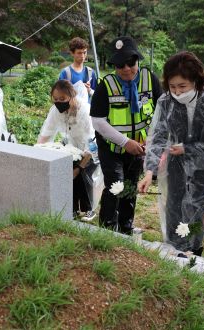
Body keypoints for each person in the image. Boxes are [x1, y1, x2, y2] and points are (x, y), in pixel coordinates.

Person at [137, 51, 204, 256]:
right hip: (176, 167)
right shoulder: (166, 102)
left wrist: (188, 149)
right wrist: (149, 171)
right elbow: (158, 136)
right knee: (174, 209)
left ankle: (194, 252)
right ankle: (174, 252)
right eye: (172, 86)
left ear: (197, 81)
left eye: (182, 86)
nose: (177, 92)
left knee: (197, 212)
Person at [90, 36, 162, 234]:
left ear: (138, 60)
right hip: (112, 146)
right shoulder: (106, 85)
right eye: (120, 65)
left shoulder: (150, 79)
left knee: (130, 187)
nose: (126, 69)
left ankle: (125, 228)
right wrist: (125, 142)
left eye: (131, 63)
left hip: (139, 147)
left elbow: (162, 112)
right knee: (116, 185)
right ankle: (106, 230)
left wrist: (153, 138)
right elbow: (97, 121)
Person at [37, 80, 99, 222]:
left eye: (62, 99)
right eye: (56, 99)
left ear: (72, 96)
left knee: (83, 173)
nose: (58, 102)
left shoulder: (84, 110)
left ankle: (88, 209)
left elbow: (91, 142)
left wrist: (79, 167)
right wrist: (37, 152)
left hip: (93, 148)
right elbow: (46, 133)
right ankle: (72, 209)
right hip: (74, 148)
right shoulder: (55, 111)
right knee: (67, 172)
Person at [58, 37, 98, 102]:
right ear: (72, 53)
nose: (82, 56)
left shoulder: (90, 72)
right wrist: (78, 89)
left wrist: (89, 90)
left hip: (87, 111)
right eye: (79, 53)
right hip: (70, 110)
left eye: (84, 52)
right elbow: (59, 96)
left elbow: (97, 95)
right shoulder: (65, 73)